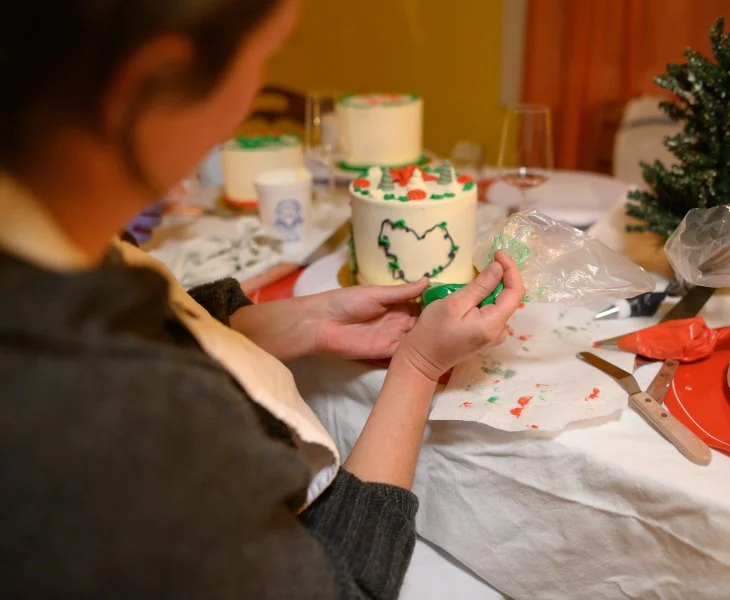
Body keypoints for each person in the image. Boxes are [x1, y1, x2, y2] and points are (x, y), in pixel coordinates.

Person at [0, 1, 525, 598]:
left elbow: (137, 307)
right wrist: (419, 366)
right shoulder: (112, 426)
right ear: (153, 81)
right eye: (263, 57)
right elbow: (341, 584)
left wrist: (276, 321)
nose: (247, 106)